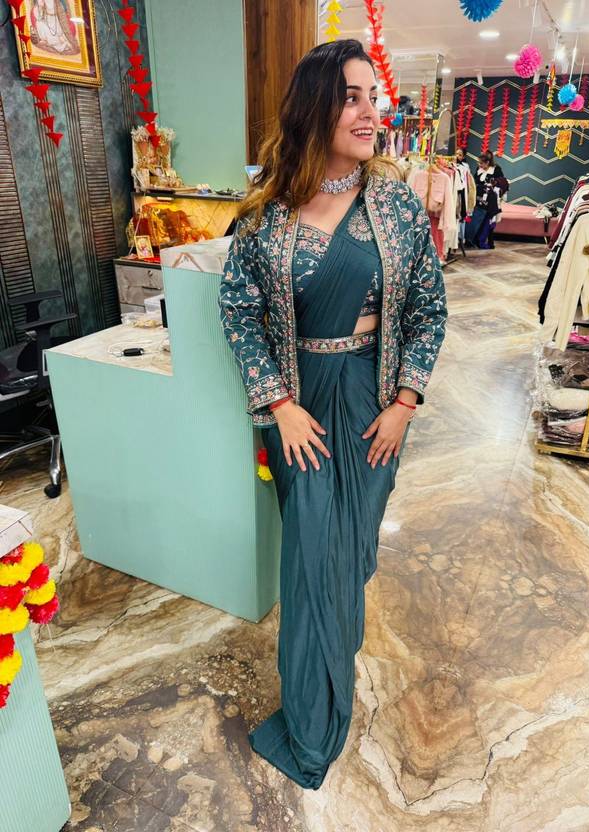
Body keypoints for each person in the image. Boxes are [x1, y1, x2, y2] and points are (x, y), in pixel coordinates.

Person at [218, 39, 447, 790]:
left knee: (348, 558)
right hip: (301, 411)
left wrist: (405, 404)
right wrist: (278, 405)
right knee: (312, 557)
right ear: (316, 106)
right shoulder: (266, 214)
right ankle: (313, 724)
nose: (370, 111)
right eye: (352, 97)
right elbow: (238, 310)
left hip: (372, 406)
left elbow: (429, 309)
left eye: (373, 97)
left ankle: (330, 674)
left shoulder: (396, 204)